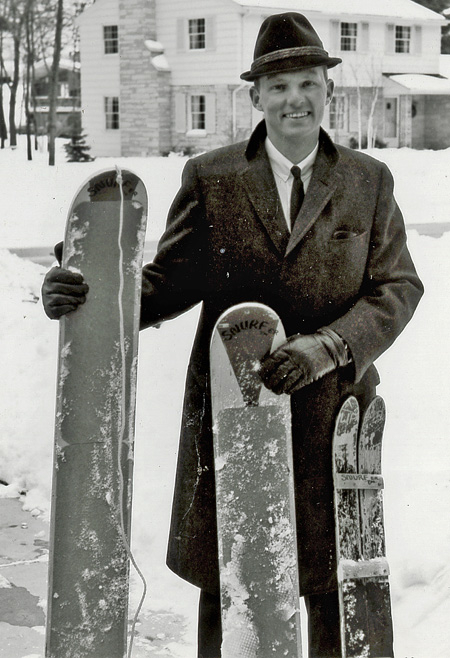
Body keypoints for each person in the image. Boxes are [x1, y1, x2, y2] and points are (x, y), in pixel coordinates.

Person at [42, 12, 423, 658]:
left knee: (337, 595)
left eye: (306, 82)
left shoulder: (367, 182)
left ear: (326, 89)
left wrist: (328, 347)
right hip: (234, 427)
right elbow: (164, 284)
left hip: (335, 430)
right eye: (278, 87)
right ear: (255, 97)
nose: (294, 99)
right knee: (235, 595)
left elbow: (397, 288)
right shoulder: (212, 179)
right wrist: (91, 290)